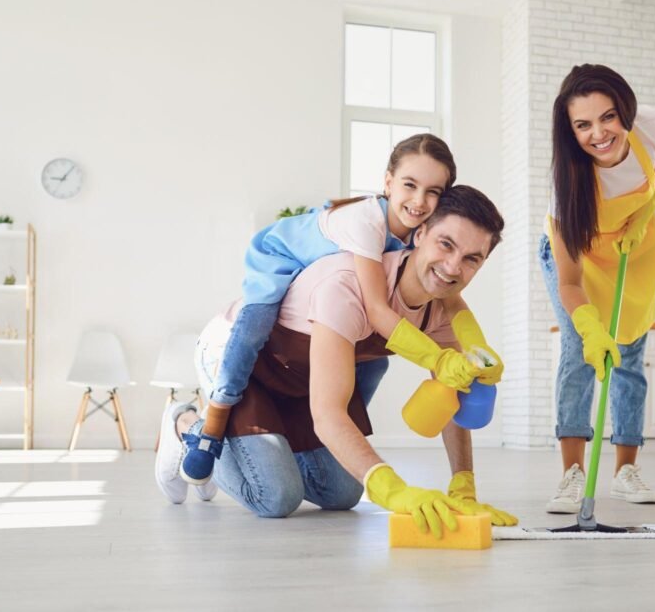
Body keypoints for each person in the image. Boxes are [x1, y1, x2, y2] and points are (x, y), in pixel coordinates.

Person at [155, 185, 516, 537]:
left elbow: (453, 392)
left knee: (342, 493)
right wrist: (393, 490)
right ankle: (185, 426)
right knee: (276, 497)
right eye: (446, 244)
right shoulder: (347, 285)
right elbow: (328, 414)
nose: (453, 267)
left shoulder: (442, 313)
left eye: (472, 259)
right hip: (244, 364)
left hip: (302, 378)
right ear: (419, 234)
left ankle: (258, 451)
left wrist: (463, 486)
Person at [180, 134, 501, 486]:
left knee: (373, 367)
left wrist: (477, 354)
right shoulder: (365, 230)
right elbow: (377, 309)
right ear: (388, 182)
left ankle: (300, 444)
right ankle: (203, 426)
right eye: (410, 185)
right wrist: (437, 360)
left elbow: (452, 304)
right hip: (274, 264)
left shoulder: (414, 236)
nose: (419, 200)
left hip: (300, 366)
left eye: (433, 191)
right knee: (255, 325)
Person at [540, 63, 655, 513]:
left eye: (608, 117)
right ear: (570, 130)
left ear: (625, 111)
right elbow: (569, 280)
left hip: (633, 248)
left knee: (630, 356)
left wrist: (650, 208)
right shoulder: (566, 185)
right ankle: (572, 475)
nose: (598, 134)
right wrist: (589, 327)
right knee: (580, 353)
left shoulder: (652, 127)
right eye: (583, 125)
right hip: (577, 259)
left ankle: (625, 473)